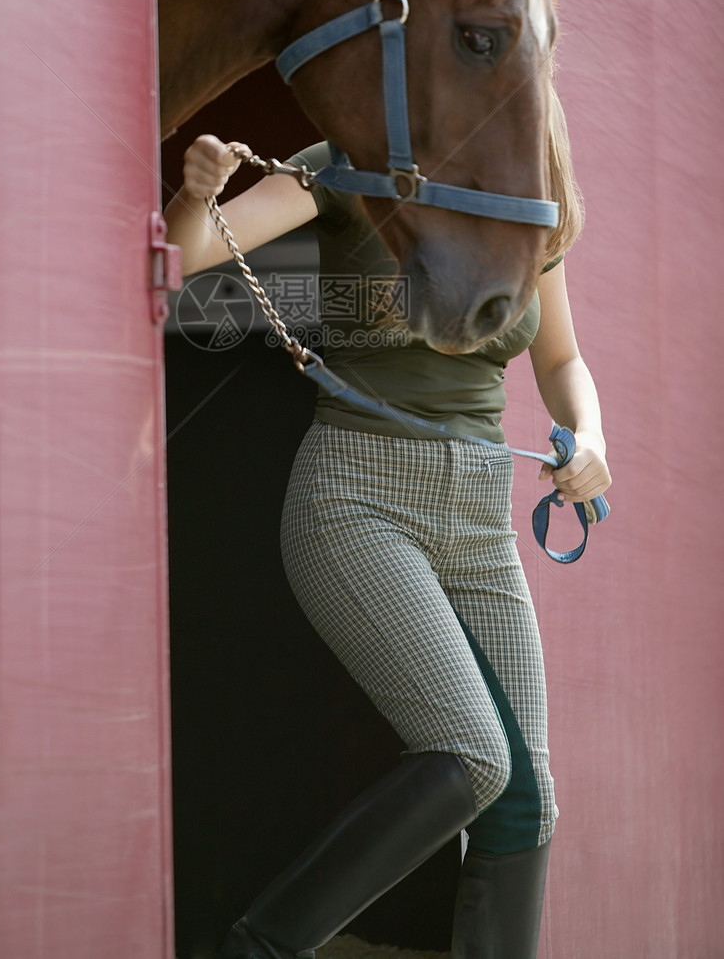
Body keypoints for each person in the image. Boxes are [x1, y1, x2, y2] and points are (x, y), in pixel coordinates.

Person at [163, 100, 611, 959]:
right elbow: (191, 251)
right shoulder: (347, 162)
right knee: (475, 755)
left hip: (480, 519)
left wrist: (589, 438)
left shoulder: (528, 201)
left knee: (528, 800)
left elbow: (559, 357)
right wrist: (197, 193)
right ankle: (261, 948)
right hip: (359, 497)